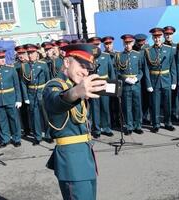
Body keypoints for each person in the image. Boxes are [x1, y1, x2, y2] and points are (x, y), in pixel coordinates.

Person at [43, 44, 105, 200]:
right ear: (66, 63)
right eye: (82, 66)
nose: (85, 72)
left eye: (88, 69)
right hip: (72, 163)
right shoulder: (54, 85)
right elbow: (56, 101)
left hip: (85, 157)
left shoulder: (75, 85)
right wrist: (76, 92)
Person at [144, 27, 176, 133]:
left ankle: (168, 123)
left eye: (159, 37)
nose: (157, 39)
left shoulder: (169, 49)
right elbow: (146, 68)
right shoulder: (148, 51)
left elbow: (173, 66)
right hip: (154, 81)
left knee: (168, 103)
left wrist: (174, 81)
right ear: (152, 38)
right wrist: (148, 84)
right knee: (155, 104)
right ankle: (156, 124)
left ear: (162, 37)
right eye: (155, 37)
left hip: (166, 79)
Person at [20, 44, 50, 145]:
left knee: (45, 115)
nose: (30, 55)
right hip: (31, 93)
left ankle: (48, 135)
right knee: (34, 116)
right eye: (28, 53)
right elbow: (23, 83)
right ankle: (37, 137)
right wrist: (25, 97)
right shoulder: (24, 66)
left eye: (32, 53)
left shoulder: (43, 64)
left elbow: (48, 79)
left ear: (37, 53)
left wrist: (48, 92)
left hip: (42, 92)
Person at [87, 36, 116, 138]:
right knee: (95, 108)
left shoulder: (106, 56)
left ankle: (107, 128)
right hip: (93, 84)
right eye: (94, 45)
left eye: (97, 45)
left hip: (105, 84)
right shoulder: (88, 57)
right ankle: (97, 129)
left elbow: (111, 72)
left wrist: (113, 87)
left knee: (105, 107)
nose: (96, 47)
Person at [115, 34, 143, 135]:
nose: (127, 45)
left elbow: (141, 70)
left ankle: (138, 125)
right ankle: (128, 126)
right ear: (123, 43)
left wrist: (137, 78)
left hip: (136, 85)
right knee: (127, 107)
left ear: (133, 43)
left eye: (129, 43)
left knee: (137, 106)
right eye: (125, 43)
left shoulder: (138, 54)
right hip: (126, 85)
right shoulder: (119, 55)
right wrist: (125, 78)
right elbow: (117, 71)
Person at [163, 26, 179, 122]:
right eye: (166, 34)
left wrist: (177, 77)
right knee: (166, 96)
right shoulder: (161, 46)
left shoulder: (177, 46)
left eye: (170, 34)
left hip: (174, 74)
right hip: (164, 75)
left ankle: (175, 114)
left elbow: (178, 62)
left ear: (173, 35)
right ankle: (167, 114)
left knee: (175, 95)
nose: (168, 36)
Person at [14, 45, 31, 136]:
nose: (21, 56)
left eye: (23, 53)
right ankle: (26, 129)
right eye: (19, 53)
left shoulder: (31, 63)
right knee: (23, 112)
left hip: (31, 91)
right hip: (20, 92)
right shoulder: (15, 66)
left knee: (35, 112)